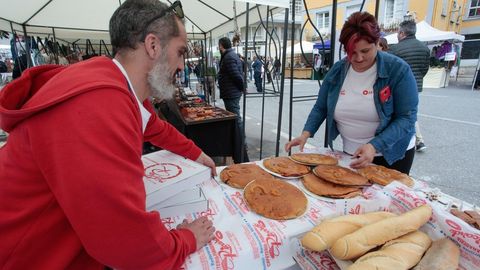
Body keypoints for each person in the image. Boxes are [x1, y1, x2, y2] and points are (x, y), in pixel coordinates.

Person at [0, 1, 217, 269]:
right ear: (153, 46)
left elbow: (155, 127)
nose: (183, 65)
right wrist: (186, 239)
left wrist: (196, 153)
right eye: (180, 52)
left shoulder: (112, 82)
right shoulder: (99, 104)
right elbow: (128, 243)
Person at [285, 11, 419, 174]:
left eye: (365, 51)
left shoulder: (398, 70)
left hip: (391, 155)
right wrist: (306, 133)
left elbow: (407, 118)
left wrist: (374, 146)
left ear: (377, 43)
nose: (359, 58)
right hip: (351, 153)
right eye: (352, 52)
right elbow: (321, 107)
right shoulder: (337, 71)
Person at [389, 19, 430, 152]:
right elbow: (425, 68)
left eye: (398, 32)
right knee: (411, 112)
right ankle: (418, 139)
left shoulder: (396, 48)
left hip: (398, 87)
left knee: (403, 115)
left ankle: (415, 140)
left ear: (402, 33)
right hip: (416, 85)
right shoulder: (424, 48)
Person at [217, 37, 249, 162]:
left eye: (218, 46)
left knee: (236, 119)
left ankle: (241, 142)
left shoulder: (229, 57)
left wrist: (243, 87)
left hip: (231, 93)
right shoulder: (230, 55)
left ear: (221, 45)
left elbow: (236, 75)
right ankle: (240, 141)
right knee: (236, 118)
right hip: (231, 92)